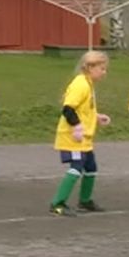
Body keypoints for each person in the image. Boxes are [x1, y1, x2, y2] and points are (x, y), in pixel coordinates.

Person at [49, 51, 111, 217]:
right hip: (72, 137)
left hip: (84, 138)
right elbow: (68, 109)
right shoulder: (81, 84)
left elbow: (83, 109)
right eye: (102, 68)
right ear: (90, 67)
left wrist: (96, 117)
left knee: (91, 167)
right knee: (77, 167)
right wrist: (76, 126)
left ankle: (85, 201)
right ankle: (57, 204)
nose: (104, 72)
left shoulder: (88, 84)